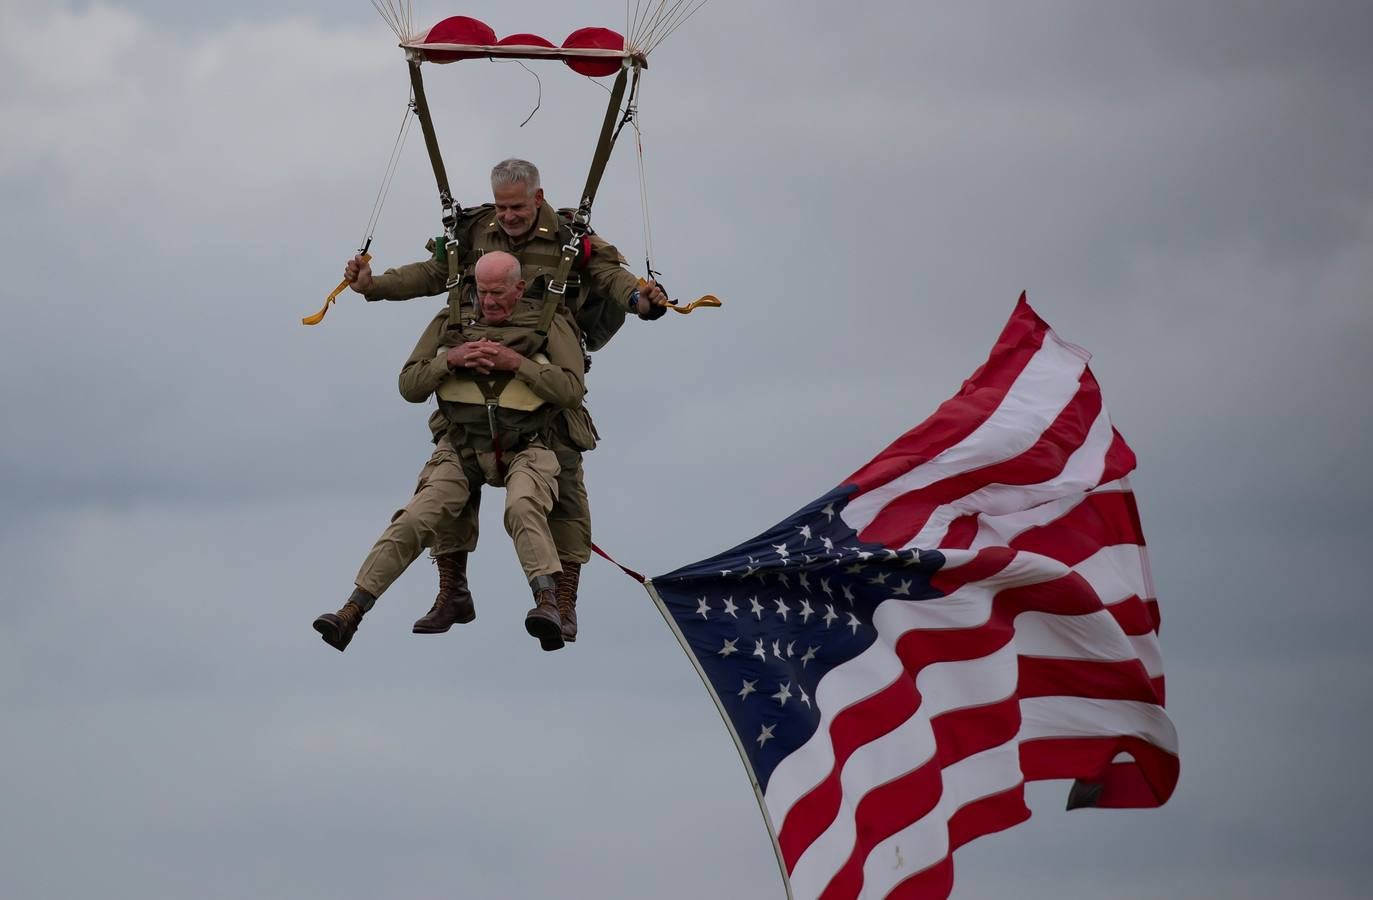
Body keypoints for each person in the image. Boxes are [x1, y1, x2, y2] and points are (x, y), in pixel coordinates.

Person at [342, 158, 670, 643]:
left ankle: (561, 605)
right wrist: (374, 287)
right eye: (502, 206)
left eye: (517, 206)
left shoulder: (568, 237)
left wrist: (642, 301)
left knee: (559, 499)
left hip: (545, 373)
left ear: (537, 199)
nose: (509, 216)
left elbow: (610, 277)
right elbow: (435, 272)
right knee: (443, 490)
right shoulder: (477, 232)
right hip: (475, 394)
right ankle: (450, 593)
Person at [313, 252, 585, 653]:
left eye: (498, 293)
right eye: (482, 292)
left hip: (529, 443)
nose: (489, 302)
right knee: (416, 517)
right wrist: (452, 360)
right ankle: (351, 611)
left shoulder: (549, 322)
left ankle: (549, 605)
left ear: (519, 288)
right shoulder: (450, 322)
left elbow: (571, 390)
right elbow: (410, 385)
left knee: (523, 505)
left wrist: (517, 363)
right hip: (462, 444)